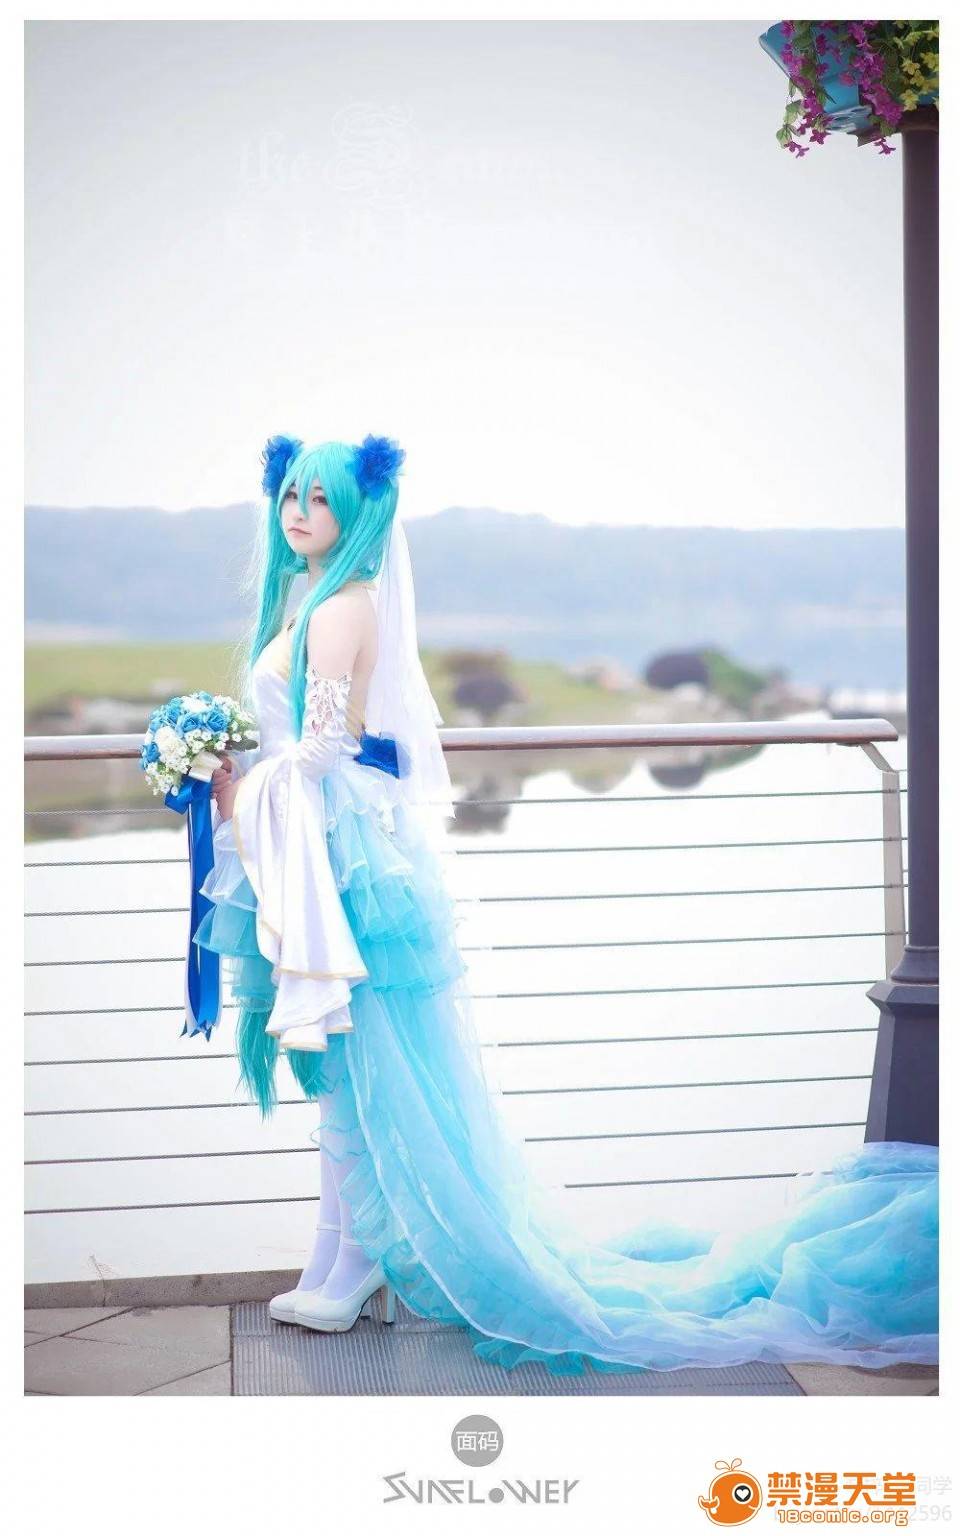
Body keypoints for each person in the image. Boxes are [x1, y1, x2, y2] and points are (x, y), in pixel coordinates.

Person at [193, 432, 937, 1375]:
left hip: (336, 859)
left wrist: (237, 793)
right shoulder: (314, 602)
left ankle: (349, 1264)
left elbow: (323, 751)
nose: (299, 512)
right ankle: (343, 1258)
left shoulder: (340, 608)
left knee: (359, 1066)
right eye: (290, 495)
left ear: (359, 512)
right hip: (322, 850)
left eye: (321, 499)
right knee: (346, 1069)